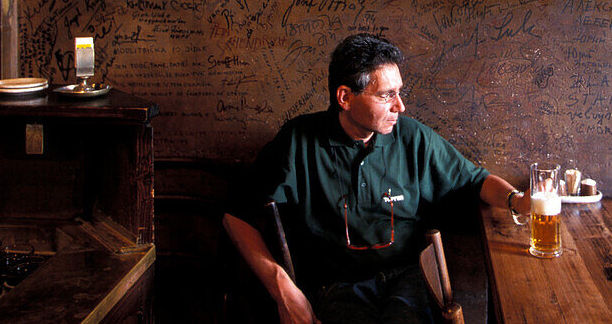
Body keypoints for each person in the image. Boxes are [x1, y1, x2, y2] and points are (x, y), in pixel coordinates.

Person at [223, 33, 529, 324]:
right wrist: (282, 290)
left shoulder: (413, 138)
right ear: (345, 97)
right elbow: (236, 217)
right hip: (334, 287)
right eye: (387, 96)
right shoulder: (298, 142)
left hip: (407, 279)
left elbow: (475, 180)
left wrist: (517, 200)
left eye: (399, 93)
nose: (400, 106)